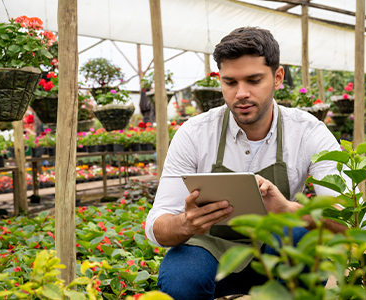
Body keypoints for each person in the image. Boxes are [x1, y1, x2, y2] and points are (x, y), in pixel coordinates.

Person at [146, 27, 348, 300]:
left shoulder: (308, 132)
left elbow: (351, 221)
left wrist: (291, 210)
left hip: (278, 246)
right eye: (230, 82)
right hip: (209, 249)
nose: (241, 93)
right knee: (181, 278)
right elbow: (157, 226)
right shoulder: (195, 133)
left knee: (304, 240)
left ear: (278, 78)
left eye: (254, 80)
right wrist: (186, 224)